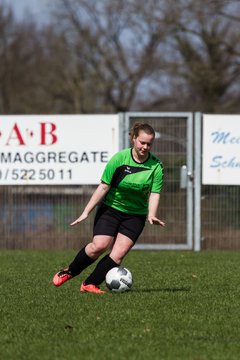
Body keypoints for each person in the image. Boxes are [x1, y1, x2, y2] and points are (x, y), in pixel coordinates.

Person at [53, 122, 165, 294]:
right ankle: (69, 271)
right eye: (142, 142)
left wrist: (151, 214)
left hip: (135, 216)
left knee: (118, 254)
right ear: (134, 139)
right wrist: (86, 212)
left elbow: (155, 193)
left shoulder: (156, 166)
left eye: (149, 143)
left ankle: (90, 284)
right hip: (111, 210)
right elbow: (103, 187)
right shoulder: (119, 159)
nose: (145, 146)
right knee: (99, 246)